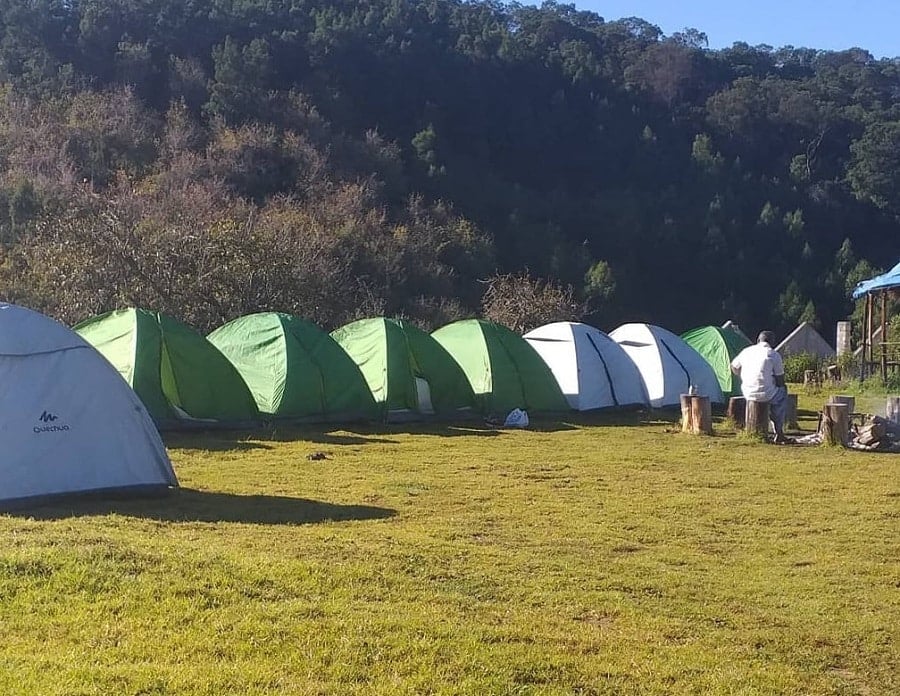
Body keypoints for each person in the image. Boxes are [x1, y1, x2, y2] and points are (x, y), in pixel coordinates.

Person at [730, 330, 789, 443]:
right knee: (781, 395)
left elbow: (734, 366)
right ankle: (779, 432)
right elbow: (780, 380)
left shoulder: (746, 351)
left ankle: (752, 429)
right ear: (772, 342)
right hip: (766, 393)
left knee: (772, 392)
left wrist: (742, 376)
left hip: (747, 391)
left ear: (758, 340)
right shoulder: (773, 354)